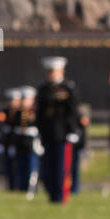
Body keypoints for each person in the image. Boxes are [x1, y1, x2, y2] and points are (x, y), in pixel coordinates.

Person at [35, 57, 82, 203]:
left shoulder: (68, 88)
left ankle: (61, 196)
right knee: (48, 167)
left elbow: (73, 111)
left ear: (61, 71)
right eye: (49, 71)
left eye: (53, 71)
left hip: (63, 133)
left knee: (61, 167)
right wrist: (38, 131)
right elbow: (40, 113)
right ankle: (51, 193)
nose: (50, 74)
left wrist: (73, 131)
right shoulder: (43, 89)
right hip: (47, 133)